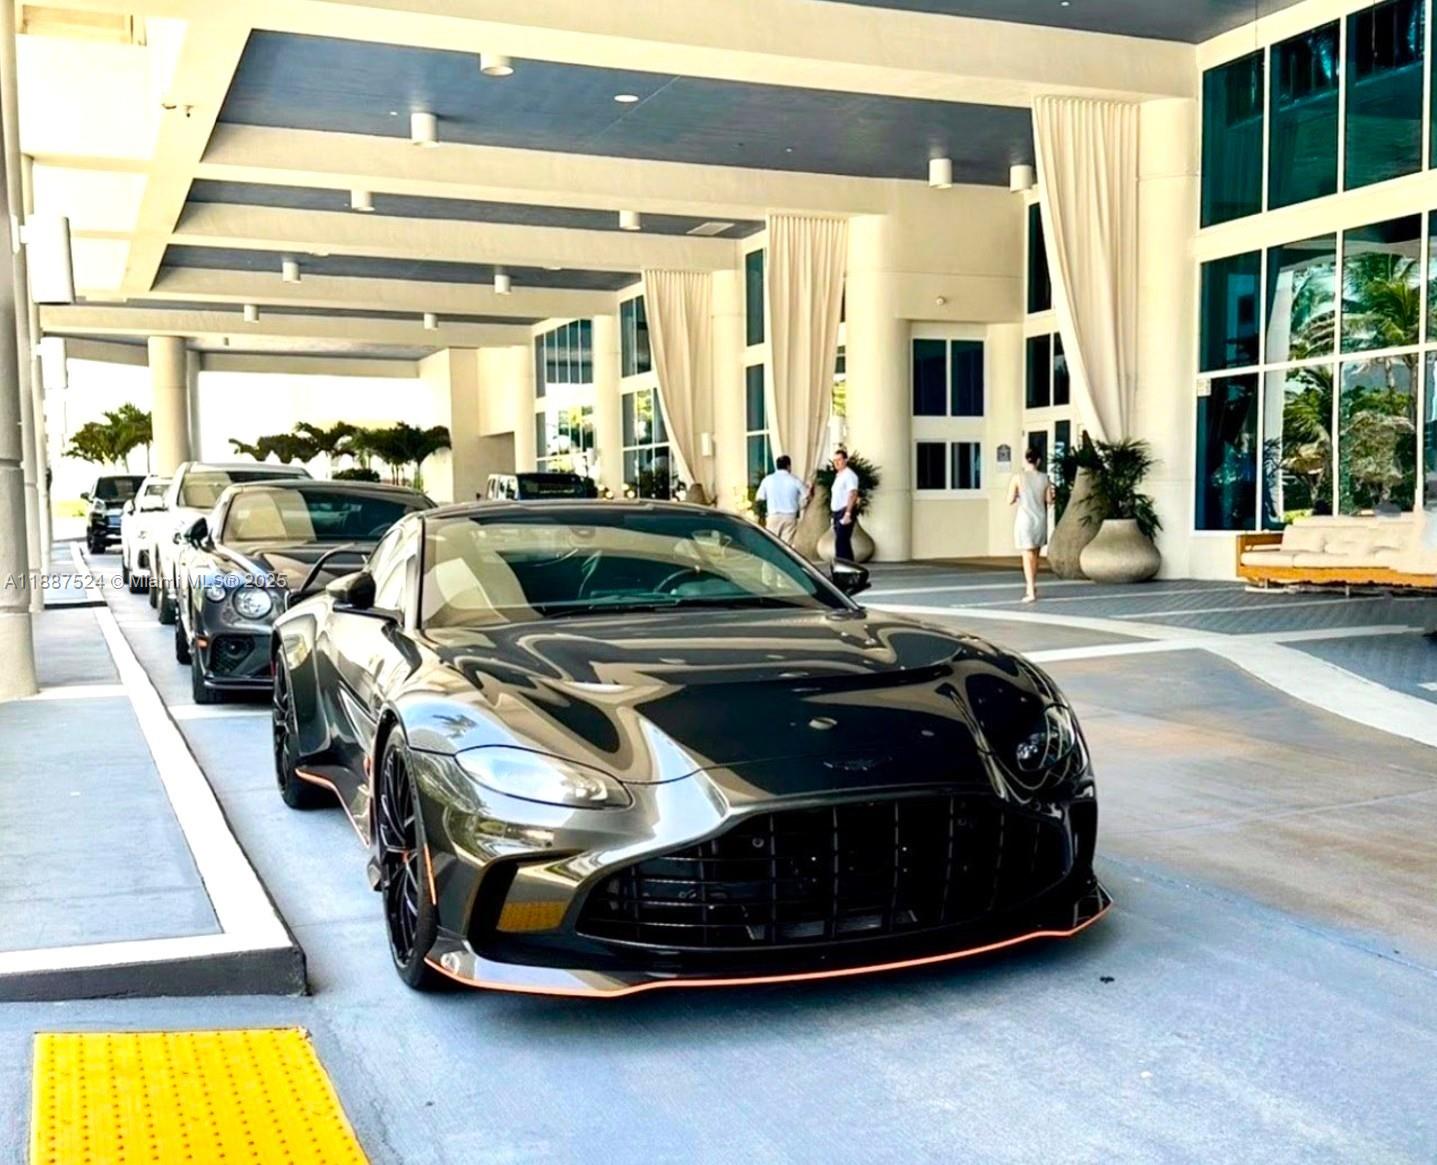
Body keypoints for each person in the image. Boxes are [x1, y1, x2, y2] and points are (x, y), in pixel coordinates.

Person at [1008, 446, 1055, 603]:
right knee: (1035, 555)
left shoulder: (1018, 478)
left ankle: (1030, 589)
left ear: (1025, 459)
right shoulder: (1045, 478)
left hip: (1025, 519)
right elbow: (1049, 500)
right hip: (1040, 519)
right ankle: (1032, 585)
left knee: (1027, 555)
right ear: (1039, 461)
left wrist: (1018, 496)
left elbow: (1009, 500)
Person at [755, 454, 806, 544]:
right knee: (787, 545)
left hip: (773, 516)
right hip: (789, 517)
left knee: (772, 544)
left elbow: (759, 497)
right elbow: (806, 495)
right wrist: (800, 505)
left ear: (777, 466)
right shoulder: (795, 480)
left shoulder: (768, 480)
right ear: (788, 466)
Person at [828, 448, 860, 562]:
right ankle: (848, 567)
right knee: (843, 543)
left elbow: (853, 494)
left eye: (839, 460)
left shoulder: (849, 475)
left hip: (844, 511)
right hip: (837, 512)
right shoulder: (839, 476)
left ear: (845, 460)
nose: (836, 463)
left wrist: (848, 513)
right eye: (835, 460)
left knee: (841, 542)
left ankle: (845, 567)